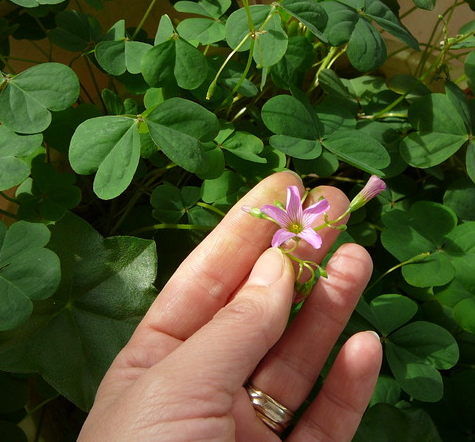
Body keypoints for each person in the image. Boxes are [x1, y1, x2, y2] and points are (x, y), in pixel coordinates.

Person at [78, 172, 382, 441]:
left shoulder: (297, 228)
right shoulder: (286, 228)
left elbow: (306, 232)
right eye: (289, 222)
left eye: (297, 223)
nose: (293, 223)